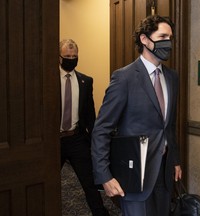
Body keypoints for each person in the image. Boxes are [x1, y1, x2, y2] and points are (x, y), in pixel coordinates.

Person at [91, 15, 182, 216]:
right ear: (144, 39)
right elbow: (102, 129)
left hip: (164, 173)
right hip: (134, 173)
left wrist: (174, 159)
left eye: (171, 37)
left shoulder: (172, 77)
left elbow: (169, 125)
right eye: (163, 36)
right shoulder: (124, 78)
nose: (168, 42)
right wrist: (104, 176)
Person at [59, 39, 109, 216]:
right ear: (59, 57)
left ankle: (101, 213)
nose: (71, 59)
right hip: (52, 141)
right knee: (45, 181)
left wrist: (95, 140)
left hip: (76, 139)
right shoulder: (48, 80)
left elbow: (89, 114)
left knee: (89, 182)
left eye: (74, 56)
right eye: (67, 56)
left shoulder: (85, 81)